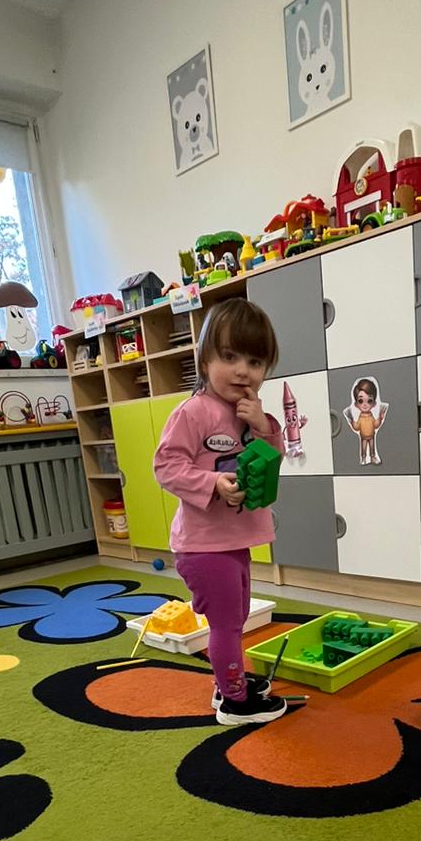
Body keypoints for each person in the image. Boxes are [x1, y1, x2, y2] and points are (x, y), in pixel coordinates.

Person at [153, 299, 289, 725]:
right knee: (227, 624)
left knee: (237, 615)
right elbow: (166, 466)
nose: (242, 371)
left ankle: (227, 681)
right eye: (229, 357)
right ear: (205, 360)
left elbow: (273, 461)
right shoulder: (194, 412)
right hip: (203, 545)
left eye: (255, 361)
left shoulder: (253, 414)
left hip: (235, 540)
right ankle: (235, 701)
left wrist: (263, 427)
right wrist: (212, 483)